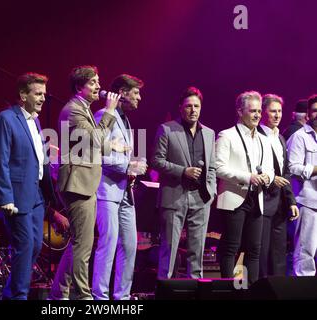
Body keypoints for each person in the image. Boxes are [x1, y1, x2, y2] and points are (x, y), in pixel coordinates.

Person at [49, 65, 125, 300]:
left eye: (98, 82)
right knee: (83, 245)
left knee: (79, 243)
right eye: (93, 83)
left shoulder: (84, 109)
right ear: (79, 87)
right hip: (77, 183)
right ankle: (83, 297)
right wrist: (110, 112)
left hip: (85, 183)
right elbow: (96, 141)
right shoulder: (73, 110)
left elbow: (94, 143)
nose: (99, 87)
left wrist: (111, 145)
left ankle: (58, 293)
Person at [0, 72, 66, 300]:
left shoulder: (35, 120)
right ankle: (19, 296)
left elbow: (37, 159)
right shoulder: (6, 118)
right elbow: (0, 159)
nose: (43, 98)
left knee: (34, 246)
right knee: (25, 246)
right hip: (16, 195)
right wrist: (5, 197)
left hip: (35, 196)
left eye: (44, 93)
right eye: (38, 93)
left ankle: (10, 294)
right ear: (23, 95)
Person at [151, 87, 216, 280]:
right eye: (189, 106)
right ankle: (165, 290)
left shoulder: (209, 133)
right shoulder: (167, 129)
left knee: (197, 249)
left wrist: (210, 191)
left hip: (200, 197)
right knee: (169, 249)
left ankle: (196, 291)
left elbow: (212, 167)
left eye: (197, 106)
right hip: (174, 195)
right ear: (181, 108)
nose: (193, 110)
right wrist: (183, 171)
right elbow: (156, 161)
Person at [92, 74, 146, 300]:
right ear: (122, 93)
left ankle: (122, 297)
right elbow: (99, 155)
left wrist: (133, 167)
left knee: (129, 246)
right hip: (106, 191)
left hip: (124, 192)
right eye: (135, 93)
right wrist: (129, 167)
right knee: (108, 246)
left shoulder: (125, 119)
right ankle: (100, 297)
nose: (139, 98)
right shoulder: (105, 115)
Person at [215, 91, 274, 286]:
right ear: (240, 111)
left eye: (259, 111)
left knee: (254, 249)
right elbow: (218, 167)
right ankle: (228, 290)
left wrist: (268, 177)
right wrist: (248, 177)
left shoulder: (264, 139)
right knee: (231, 248)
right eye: (252, 111)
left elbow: (270, 168)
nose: (257, 115)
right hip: (234, 197)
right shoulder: (227, 135)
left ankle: (252, 291)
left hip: (255, 199)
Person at [257, 94, 299, 278]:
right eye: (273, 111)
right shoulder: (256, 135)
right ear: (263, 112)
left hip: (280, 204)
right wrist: (270, 178)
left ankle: (278, 290)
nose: (277, 115)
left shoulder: (280, 138)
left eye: (279, 111)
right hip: (262, 201)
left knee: (279, 253)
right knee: (262, 252)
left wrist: (291, 201)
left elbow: (286, 171)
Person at [287, 94, 317, 276]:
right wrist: (315, 169)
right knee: (305, 253)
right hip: (308, 202)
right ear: (307, 114)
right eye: (315, 110)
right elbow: (292, 167)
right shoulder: (299, 137)